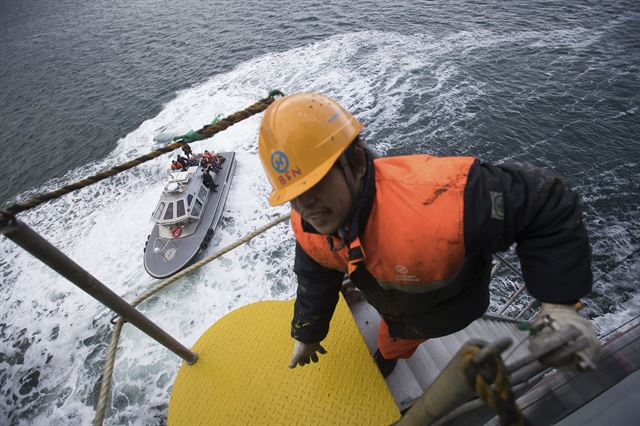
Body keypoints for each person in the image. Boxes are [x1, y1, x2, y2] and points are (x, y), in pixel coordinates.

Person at [257, 93, 600, 377]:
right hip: (398, 313)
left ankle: (389, 359)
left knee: (403, 340)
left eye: (316, 184)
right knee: (394, 340)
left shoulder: (442, 202)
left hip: (450, 310)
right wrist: (308, 331)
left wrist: (559, 302)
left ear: (358, 164)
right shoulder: (309, 225)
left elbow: (545, 200)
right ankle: (388, 358)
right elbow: (314, 273)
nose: (307, 206)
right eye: (294, 195)